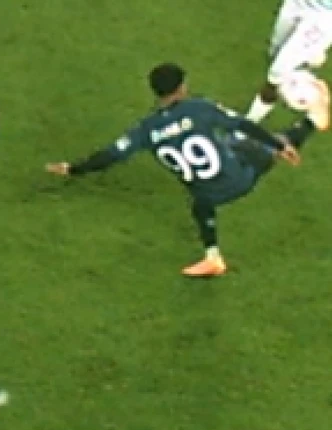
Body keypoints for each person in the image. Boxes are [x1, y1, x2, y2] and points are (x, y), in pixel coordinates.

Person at [47, 63, 318, 277]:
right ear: (181, 87)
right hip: (240, 177)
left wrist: (73, 169)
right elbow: (242, 124)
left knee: (201, 200)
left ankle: (213, 256)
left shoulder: (146, 130)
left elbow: (110, 155)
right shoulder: (198, 108)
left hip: (208, 194)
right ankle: (313, 120)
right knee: (264, 143)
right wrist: (276, 146)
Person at [244, 0, 332, 127]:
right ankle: (310, 57)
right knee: (275, 54)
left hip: (325, 13)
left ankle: (247, 125)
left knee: (277, 72)